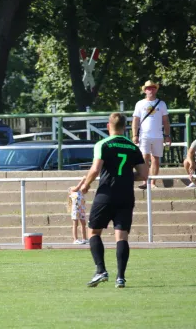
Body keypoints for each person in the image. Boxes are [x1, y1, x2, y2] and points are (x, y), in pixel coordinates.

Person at [70, 113, 148, 288]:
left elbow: (95, 169)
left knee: (94, 232)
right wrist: (127, 177)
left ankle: (101, 271)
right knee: (122, 237)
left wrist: (85, 185)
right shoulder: (133, 147)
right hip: (126, 195)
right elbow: (144, 175)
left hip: (106, 195)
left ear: (108, 126)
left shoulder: (102, 144)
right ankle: (120, 277)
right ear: (125, 128)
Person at [132, 80, 171, 189]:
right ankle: (145, 181)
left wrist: (167, 135)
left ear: (155, 89)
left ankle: (153, 183)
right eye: (148, 88)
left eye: (153, 87)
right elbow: (135, 120)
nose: (150, 90)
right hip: (144, 135)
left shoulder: (162, 104)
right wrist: (135, 135)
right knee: (144, 158)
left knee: (156, 159)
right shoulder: (139, 103)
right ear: (145, 90)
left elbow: (166, 121)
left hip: (158, 135)